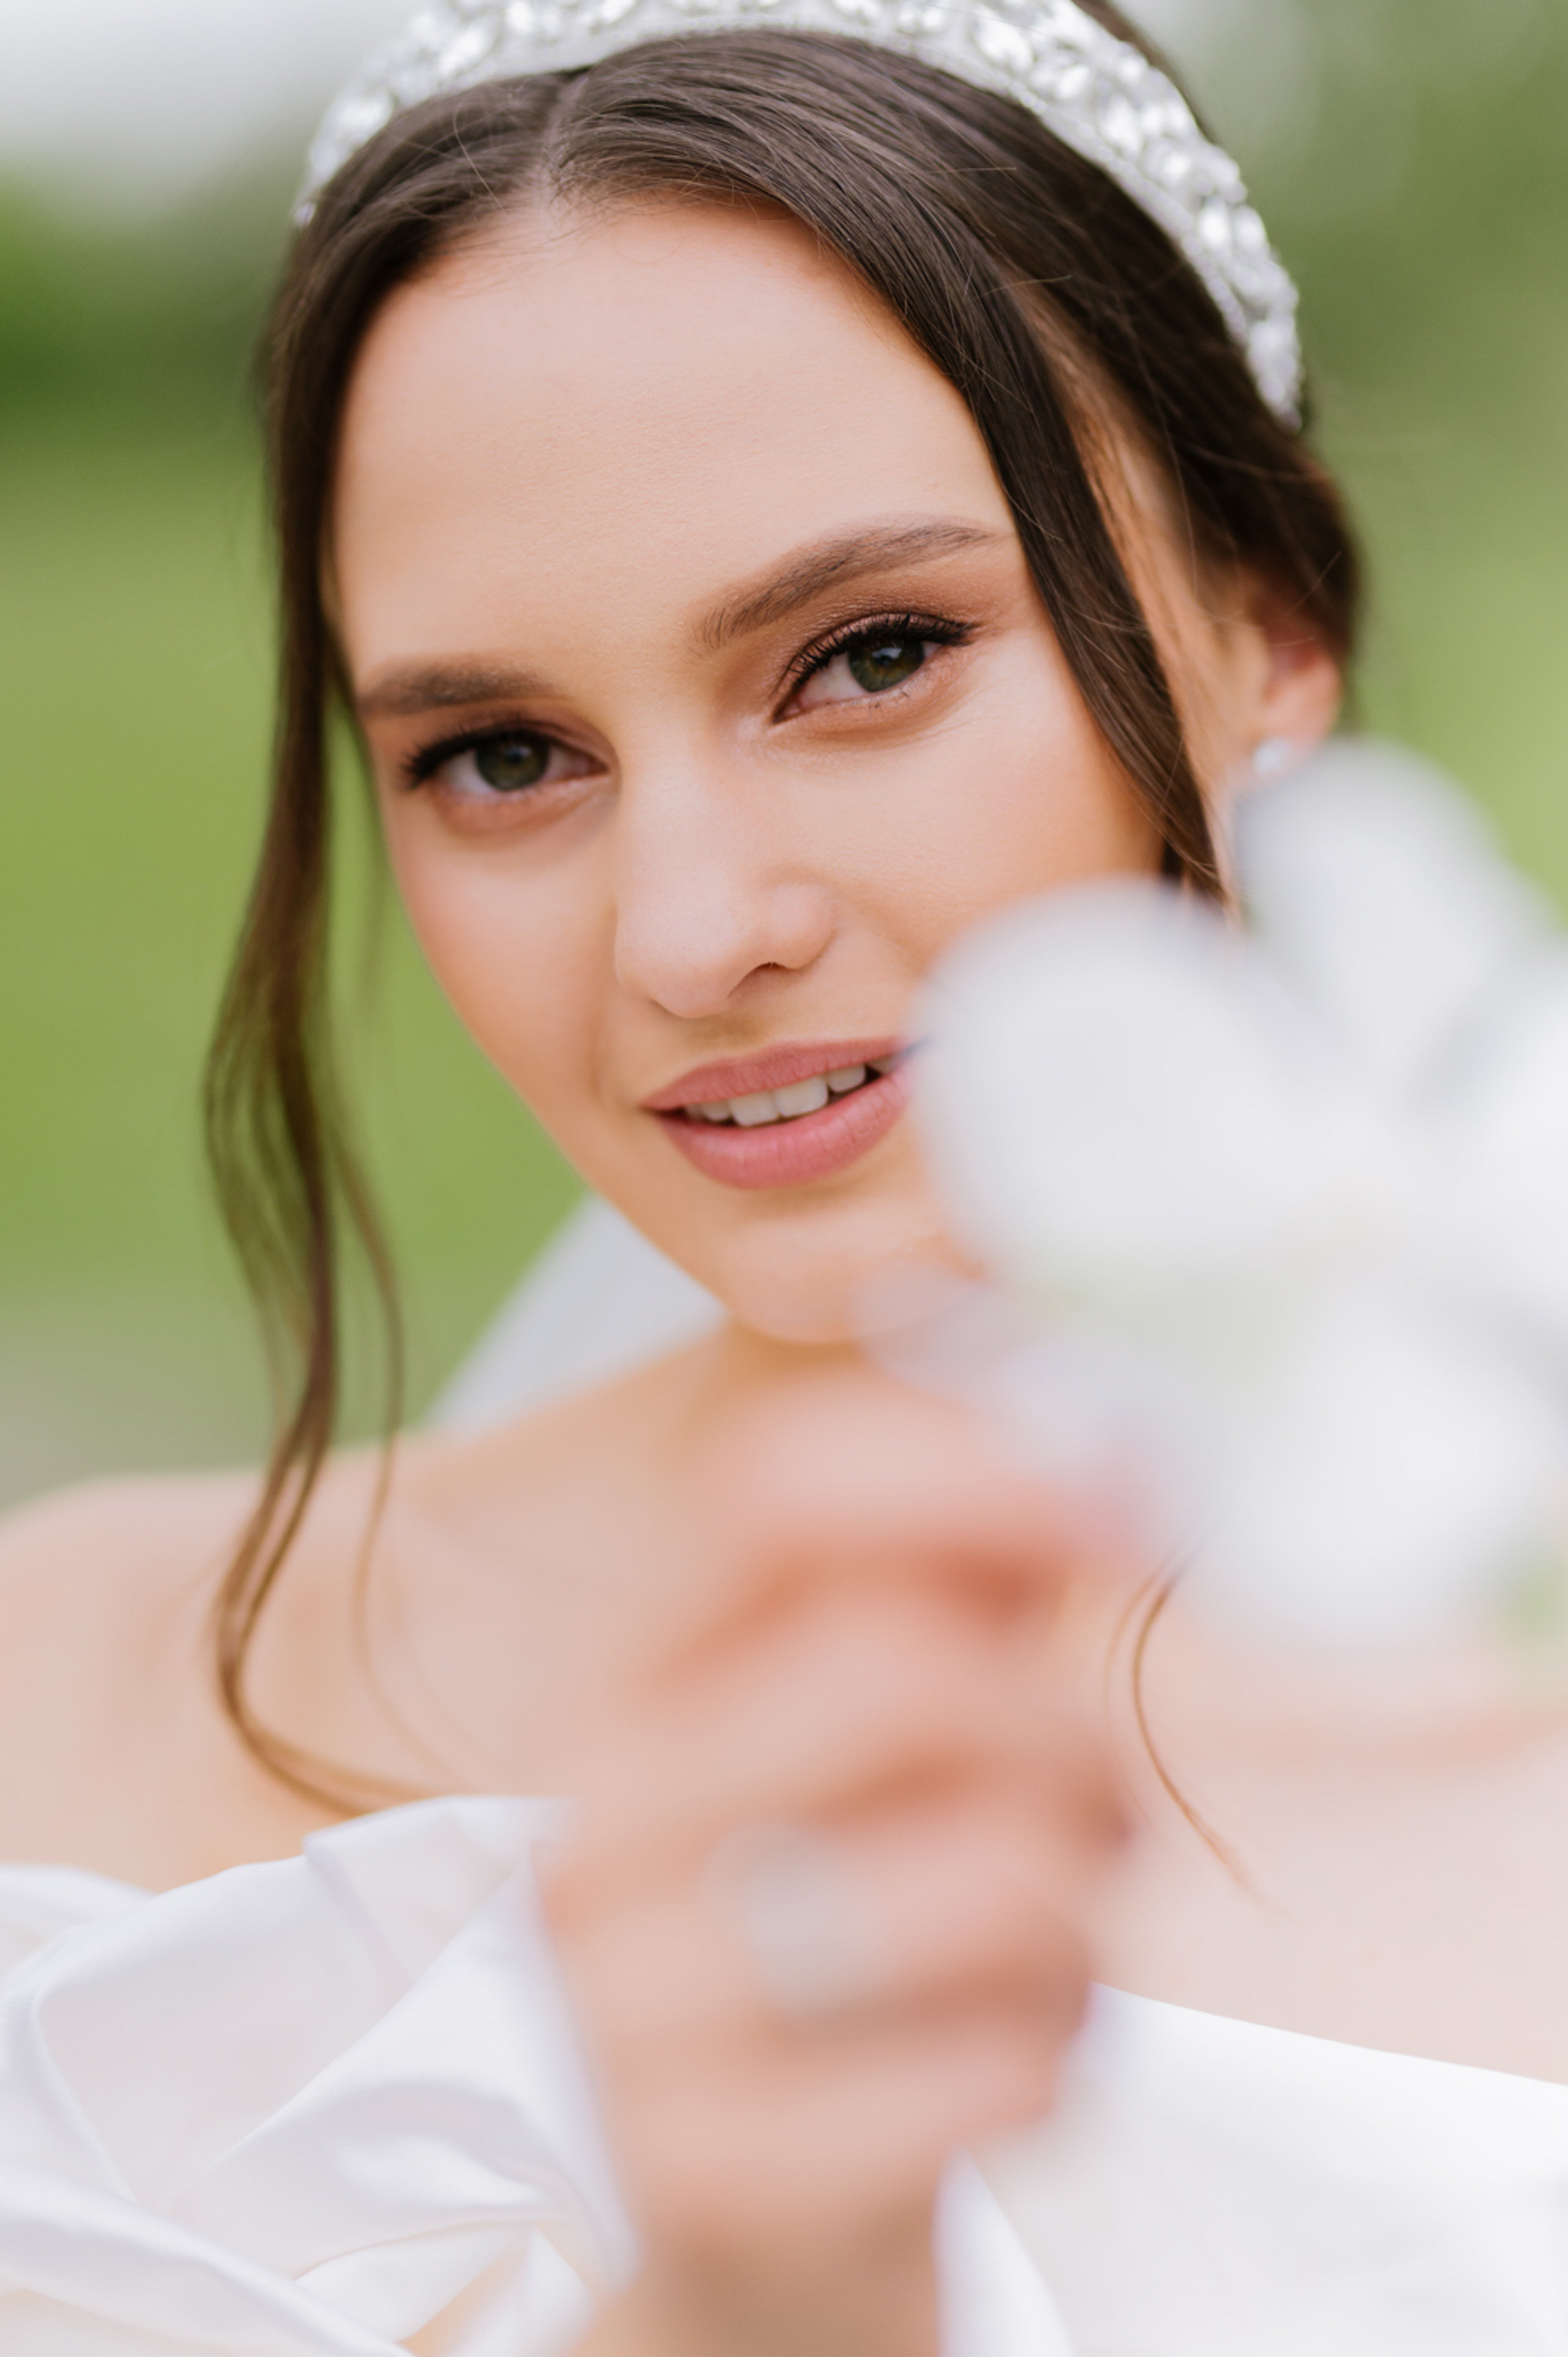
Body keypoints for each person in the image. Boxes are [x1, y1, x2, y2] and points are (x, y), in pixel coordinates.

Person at [2, 3, 1563, 2352]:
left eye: (868, 656)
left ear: (1268, 639)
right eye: (502, 754)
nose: (689, 931)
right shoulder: (71, 1678)